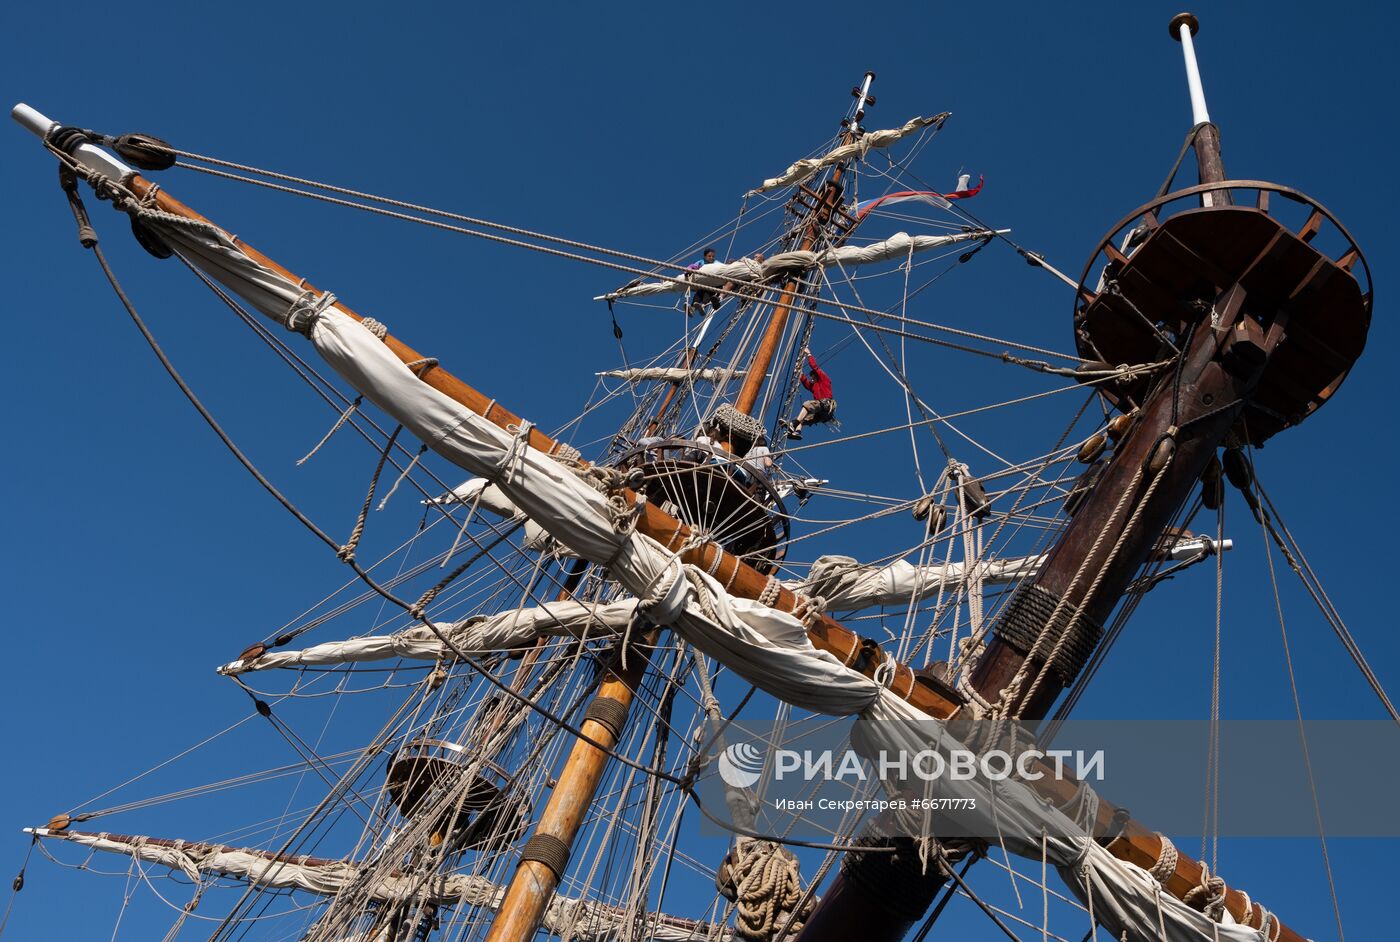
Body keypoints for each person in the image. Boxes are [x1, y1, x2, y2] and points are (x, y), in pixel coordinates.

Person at [782, 347, 836, 440]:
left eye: (812, 377)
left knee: (807, 404)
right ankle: (797, 432)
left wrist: (809, 354)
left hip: (826, 405)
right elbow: (806, 384)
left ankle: (793, 424)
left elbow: (815, 367)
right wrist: (799, 372)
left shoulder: (824, 380)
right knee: (803, 418)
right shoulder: (814, 386)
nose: (811, 379)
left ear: (816, 376)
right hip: (821, 414)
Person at [688, 247, 721, 315]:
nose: (711, 257)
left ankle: (703, 306)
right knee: (699, 293)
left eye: (713, 256)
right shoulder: (701, 262)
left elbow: (724, 268)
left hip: (712, 283)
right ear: (705, 256)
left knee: (707, 293)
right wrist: (688, 271)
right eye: (709, 256)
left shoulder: (716, 263)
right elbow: (693, 266)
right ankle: (693, 308)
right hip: (703, 282)